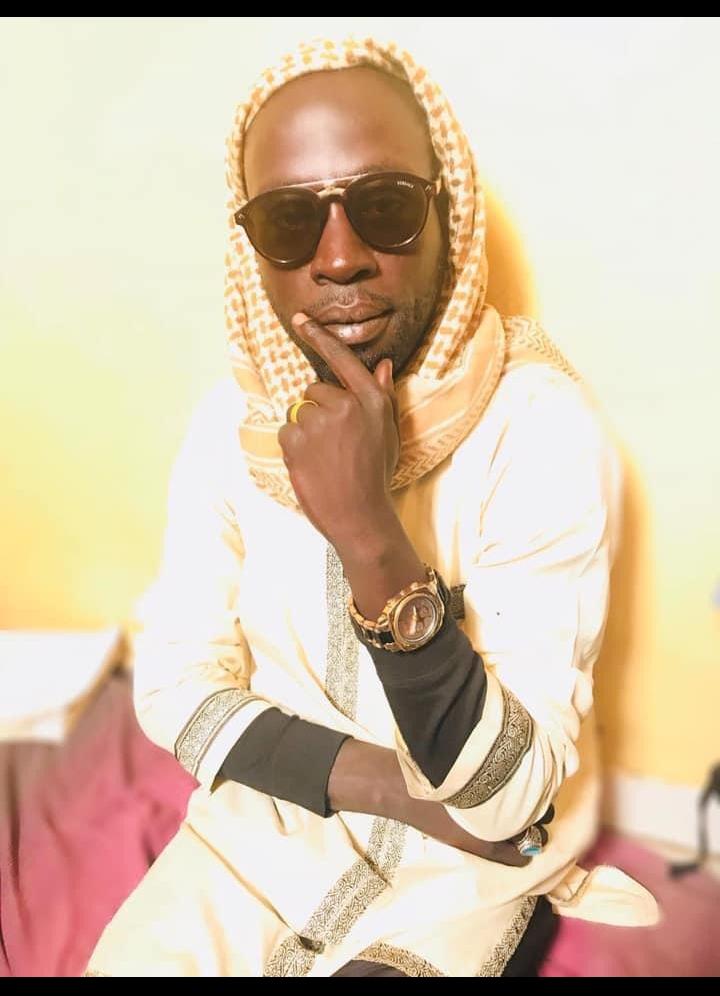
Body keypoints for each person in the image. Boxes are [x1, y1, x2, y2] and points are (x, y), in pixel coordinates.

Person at [85, 37, 656, 977]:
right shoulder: (232, 428)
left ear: (446, 215)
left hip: (470, 875)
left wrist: (365, 530)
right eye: (289, 221)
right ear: (253, 251)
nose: (341, 258)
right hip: (261, 837)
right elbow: (173, 685)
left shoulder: (537, 426)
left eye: (385, 207)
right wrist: (396, 788)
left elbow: (505, 802)